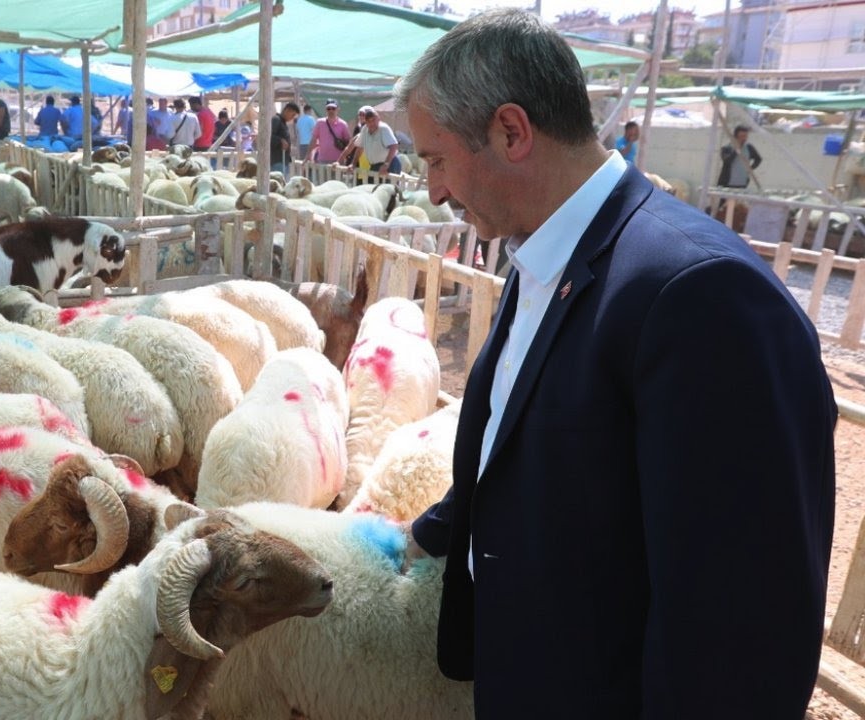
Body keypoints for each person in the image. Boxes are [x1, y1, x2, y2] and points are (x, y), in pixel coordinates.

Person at [401, 9, 834, 719]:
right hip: (526, 670)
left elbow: (740, 619)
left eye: (436, 159)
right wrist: (439, 528)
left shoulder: (699, 295)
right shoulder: (545, 255)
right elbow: (529, 445)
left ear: (511, 132)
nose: (434, 191)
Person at [306, 99, 350, 165]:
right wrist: (308, 155)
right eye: (328, 108)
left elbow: (348, 142)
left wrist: (345, 158)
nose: (331, 110)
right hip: (322, 161)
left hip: (338, 162)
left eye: (333, 108)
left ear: (338, 109)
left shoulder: (343, 124)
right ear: (325, 110)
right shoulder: (319, 123)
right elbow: (313, 140)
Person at [718, 123, 762, 189]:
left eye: (745, 136)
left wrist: (750, 168)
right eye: (742, 136)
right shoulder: (727, 148)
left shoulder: (749, 147)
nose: (744, 139)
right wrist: (736, 150)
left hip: (742, 182)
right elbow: (727, 162)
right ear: (736, 137)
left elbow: (758, 159)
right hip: (727, 183)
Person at [270, 101, 298, 175]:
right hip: (277, 160)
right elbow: (269, 136)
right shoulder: (276, 120)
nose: (292, 118)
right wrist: (280, 141)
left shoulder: (283, 123)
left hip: (284, 159)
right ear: (287, 110)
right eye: (293, 115)